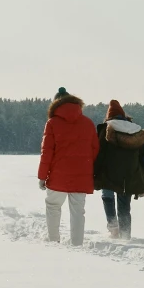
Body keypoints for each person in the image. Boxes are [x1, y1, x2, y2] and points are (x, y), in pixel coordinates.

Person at [36, 86, 99, 245]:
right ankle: (77, 244)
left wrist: (42, 176)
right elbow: (95, 149)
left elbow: (47, 152)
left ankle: (53, 241)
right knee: (78, 212)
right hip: (81, 175)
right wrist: (85, 166)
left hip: (58, 175)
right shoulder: (88, 123)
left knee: (53, 206)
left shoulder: (52, 123)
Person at [94, 98, 144, 238]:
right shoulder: (135, 131)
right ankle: (125, 235)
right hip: (129, 174)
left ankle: (113, 227)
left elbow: (99, 152)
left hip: (108, 172)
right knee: (124, 205)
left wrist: (94, 172)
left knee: (107, 197)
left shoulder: (106, 129)